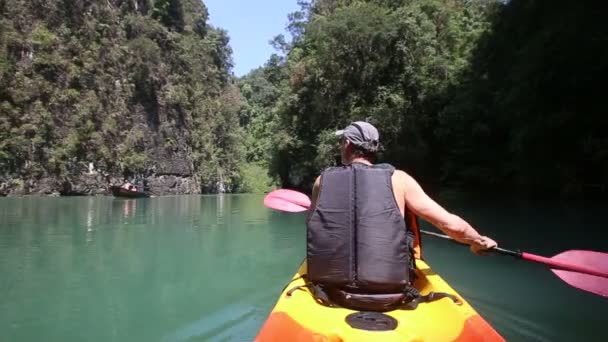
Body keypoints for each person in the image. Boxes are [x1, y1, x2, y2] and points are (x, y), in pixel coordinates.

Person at [304, 121, 497, 311]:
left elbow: (315, 226)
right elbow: (452, 226)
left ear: (347, 144)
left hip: (331, 292)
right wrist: (477, 241)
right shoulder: (400, 179)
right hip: (391, 294)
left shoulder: (322, 181)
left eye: (341, 143)